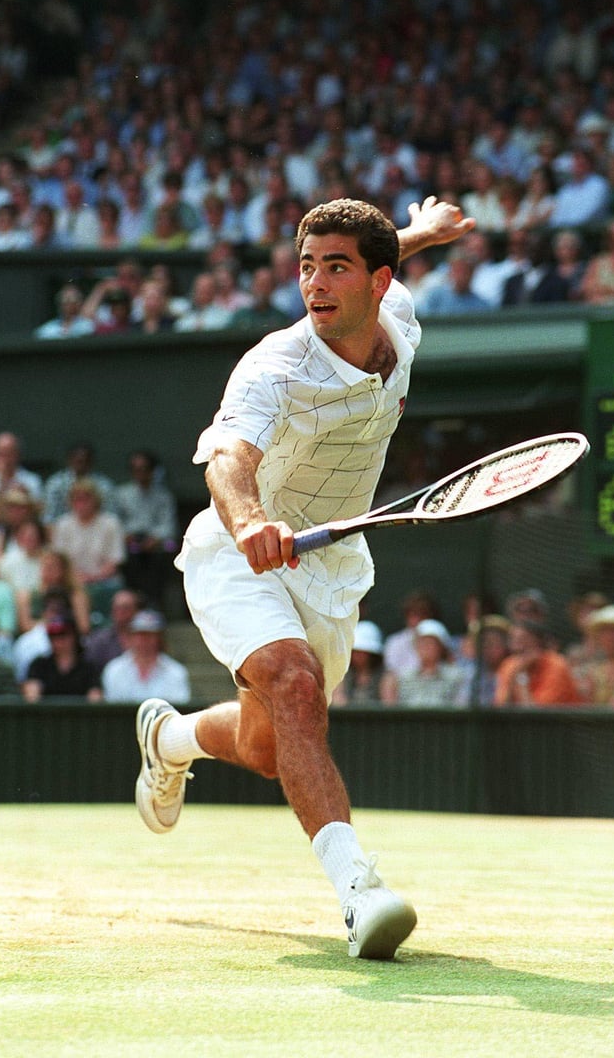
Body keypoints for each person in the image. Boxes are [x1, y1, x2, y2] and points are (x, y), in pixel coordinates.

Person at [133, 193, 473, 962]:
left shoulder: (402, 318)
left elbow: (392, 254)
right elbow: (229, 460)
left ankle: (172, 737)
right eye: (305, 267)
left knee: (267, 744)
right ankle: (362, 892)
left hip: (332, 567)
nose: (315, 284)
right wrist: (251, 521)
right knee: (291, 685)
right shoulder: (274, 366)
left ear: (378, 282)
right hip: (236, 555)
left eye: (335, 268)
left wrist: (425, 231)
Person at [50, 478, 126, 623]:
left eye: (86, 498)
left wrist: (93, 577)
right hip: (71, 581)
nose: (82, 503)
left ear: (96, 500)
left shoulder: (111, 523)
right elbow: (59, 561)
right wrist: (75, 578)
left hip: (104, 581)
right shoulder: (63, 524)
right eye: (77, 499)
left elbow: (115, 561)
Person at [114, 449, 178, 608]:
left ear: (152, 470)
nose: (140, 473)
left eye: (144, 469)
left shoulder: (164, 496)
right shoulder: (122, 494)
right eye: (136, 469)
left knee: (167, 551)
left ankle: (154, 604)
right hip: (130, 542)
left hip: (155, 544)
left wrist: (155, 539)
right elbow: (115, 522)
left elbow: (169, 525)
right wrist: (126, 536)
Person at [102, 608, 190, 703]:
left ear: (159, 638)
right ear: (131, 637)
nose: (144, 640)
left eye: (149, 635)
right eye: (139, 634)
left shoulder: (176, 671)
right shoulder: (114, 669)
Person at [381, 618, 470, 707]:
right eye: (422, 642)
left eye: (431, 643)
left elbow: (460, 707)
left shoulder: (457, 676)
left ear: (441, 647)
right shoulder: (404, 677)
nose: (426, 647)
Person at [494, 618, 583, 706]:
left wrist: (521, 679)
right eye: (513, 639)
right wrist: (515, 676)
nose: (517, 646)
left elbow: (536, 715)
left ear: (538, 642)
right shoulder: (509, 664)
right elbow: (501, 708)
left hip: (561, 720)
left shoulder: (556, 665)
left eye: (523, 639)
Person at [22, 611, 103, 702]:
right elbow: (31, 698)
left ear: (74, 636)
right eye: (53, 636)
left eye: (63, 635)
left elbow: (95, 700)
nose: (58, 641)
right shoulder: (39, 665)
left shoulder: (88, 668)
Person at [15, 546, 92, 637]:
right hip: (37, 638)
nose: (47, 570)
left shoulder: (76, 595)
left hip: (68, 638)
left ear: (63, 570)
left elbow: (84, 627)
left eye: (52, 567)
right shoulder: (26, 595)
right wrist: (51, 624)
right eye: (45, 566)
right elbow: (25, 626)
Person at [0, 432, 44, 530]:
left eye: (9, 453)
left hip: (23, 533)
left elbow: (37, 517)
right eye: (1, 454)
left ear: (17, 454)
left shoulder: (32, 480)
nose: (5, 459)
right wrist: (2, 482)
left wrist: (25, 496)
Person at [41, 441, 118, 528]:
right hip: (62, 530)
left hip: (97, 529)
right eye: (78, 461)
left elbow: (111, 515)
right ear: (69, 460)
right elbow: (49, 517)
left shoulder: (104, 485)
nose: (81, 465)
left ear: (91, 462)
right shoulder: (56, 483)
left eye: (85, 461)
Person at [382, 588, 445, 678]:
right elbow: (391, 675)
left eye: (422, 615)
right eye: (412, 615)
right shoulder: (394, 642)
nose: (416, 620)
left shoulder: (442, 638)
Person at [331, 619, 392, 706]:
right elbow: (338, 702)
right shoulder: (342, 675)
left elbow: (388, 706)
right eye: (355, 651)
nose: (357, 656)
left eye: (363, 652)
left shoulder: (386, 676)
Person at [84, 586, 144, 674]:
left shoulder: (146, 639)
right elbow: (90, 671)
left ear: (137, 611)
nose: (120, 612)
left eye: (125, 608)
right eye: (117, 608)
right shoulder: (100, 640)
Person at [467, 614, 511, 706]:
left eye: (494, 642)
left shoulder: (513, 669)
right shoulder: (472, 672)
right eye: (484, 642)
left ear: (507, 644)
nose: (489, 647)